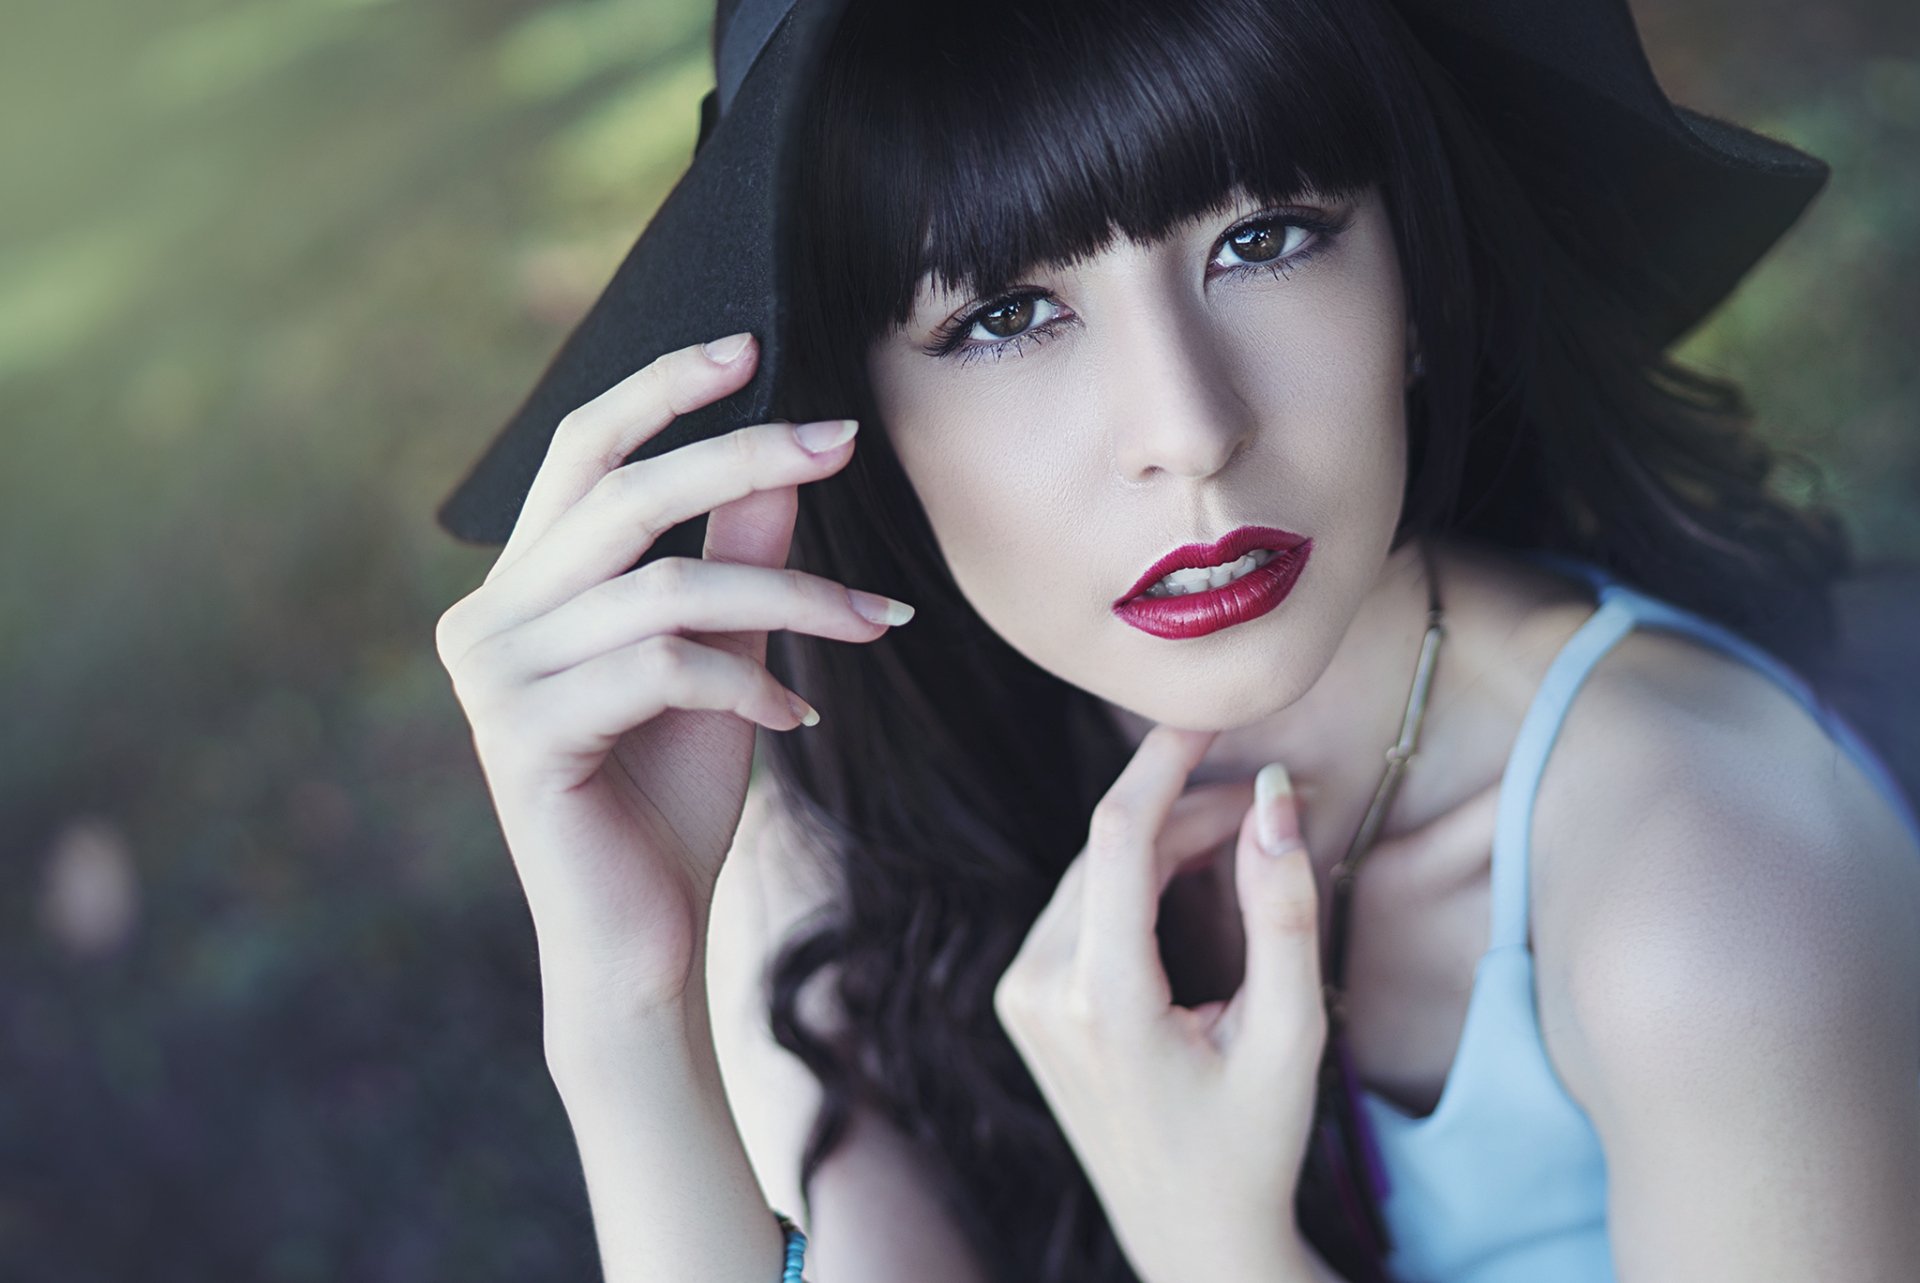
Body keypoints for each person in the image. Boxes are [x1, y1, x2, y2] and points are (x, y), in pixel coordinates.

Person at [430, 0, 1920, 1279]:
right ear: (854, 425)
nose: (1190, 431)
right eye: (1008, 317)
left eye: (1266, 238)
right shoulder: (845, 842)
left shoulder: (1703, 883)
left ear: (1412, 277)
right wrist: (627, 1020)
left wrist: (1216, 1245)